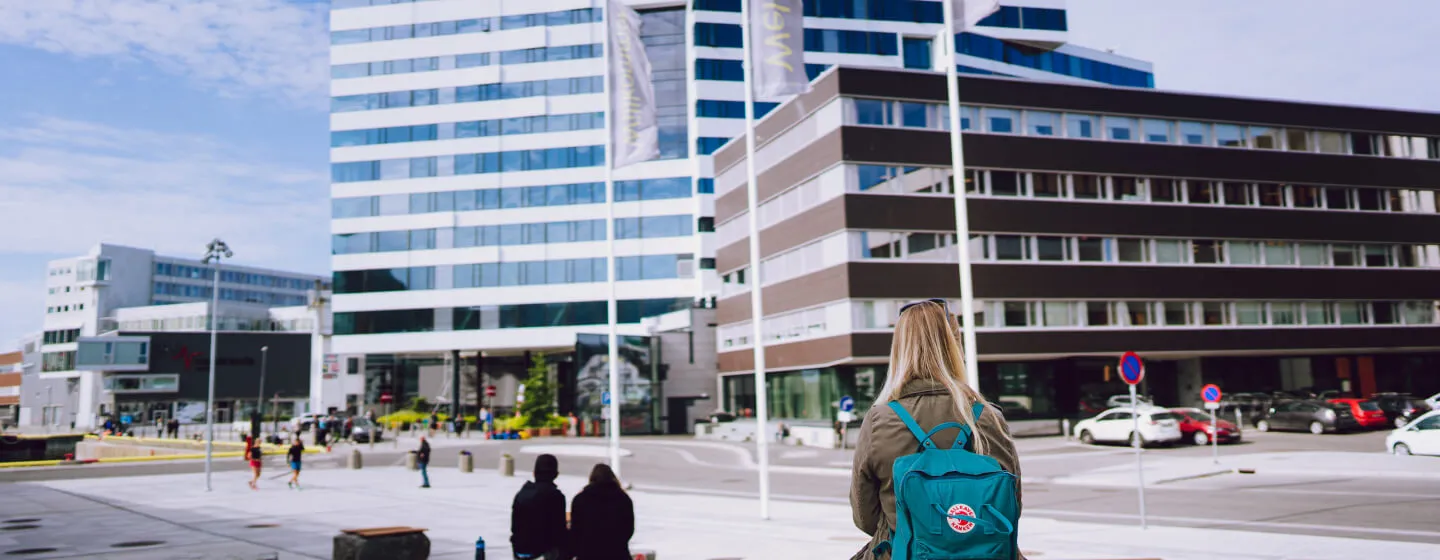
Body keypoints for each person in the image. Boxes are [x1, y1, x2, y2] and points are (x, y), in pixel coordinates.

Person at [849, 299, 1022, 560]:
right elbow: (1011, 504)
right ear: (954, 346)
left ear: (899, 348)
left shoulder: (879, 420)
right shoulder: (989, 417)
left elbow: (865, 517)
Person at [568, 464, 633, 560]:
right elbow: (628, 529)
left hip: (587, 553)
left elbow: (575, 530)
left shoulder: (580, 499)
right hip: (617, 553)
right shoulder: (623, 499)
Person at [510, 454, 567, 560]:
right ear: (556, 474)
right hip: (541, 551)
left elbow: (514, 526)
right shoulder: (555, 496)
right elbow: (559, 531)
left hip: (519, 550)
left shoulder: (522, 493)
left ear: (534, 473)